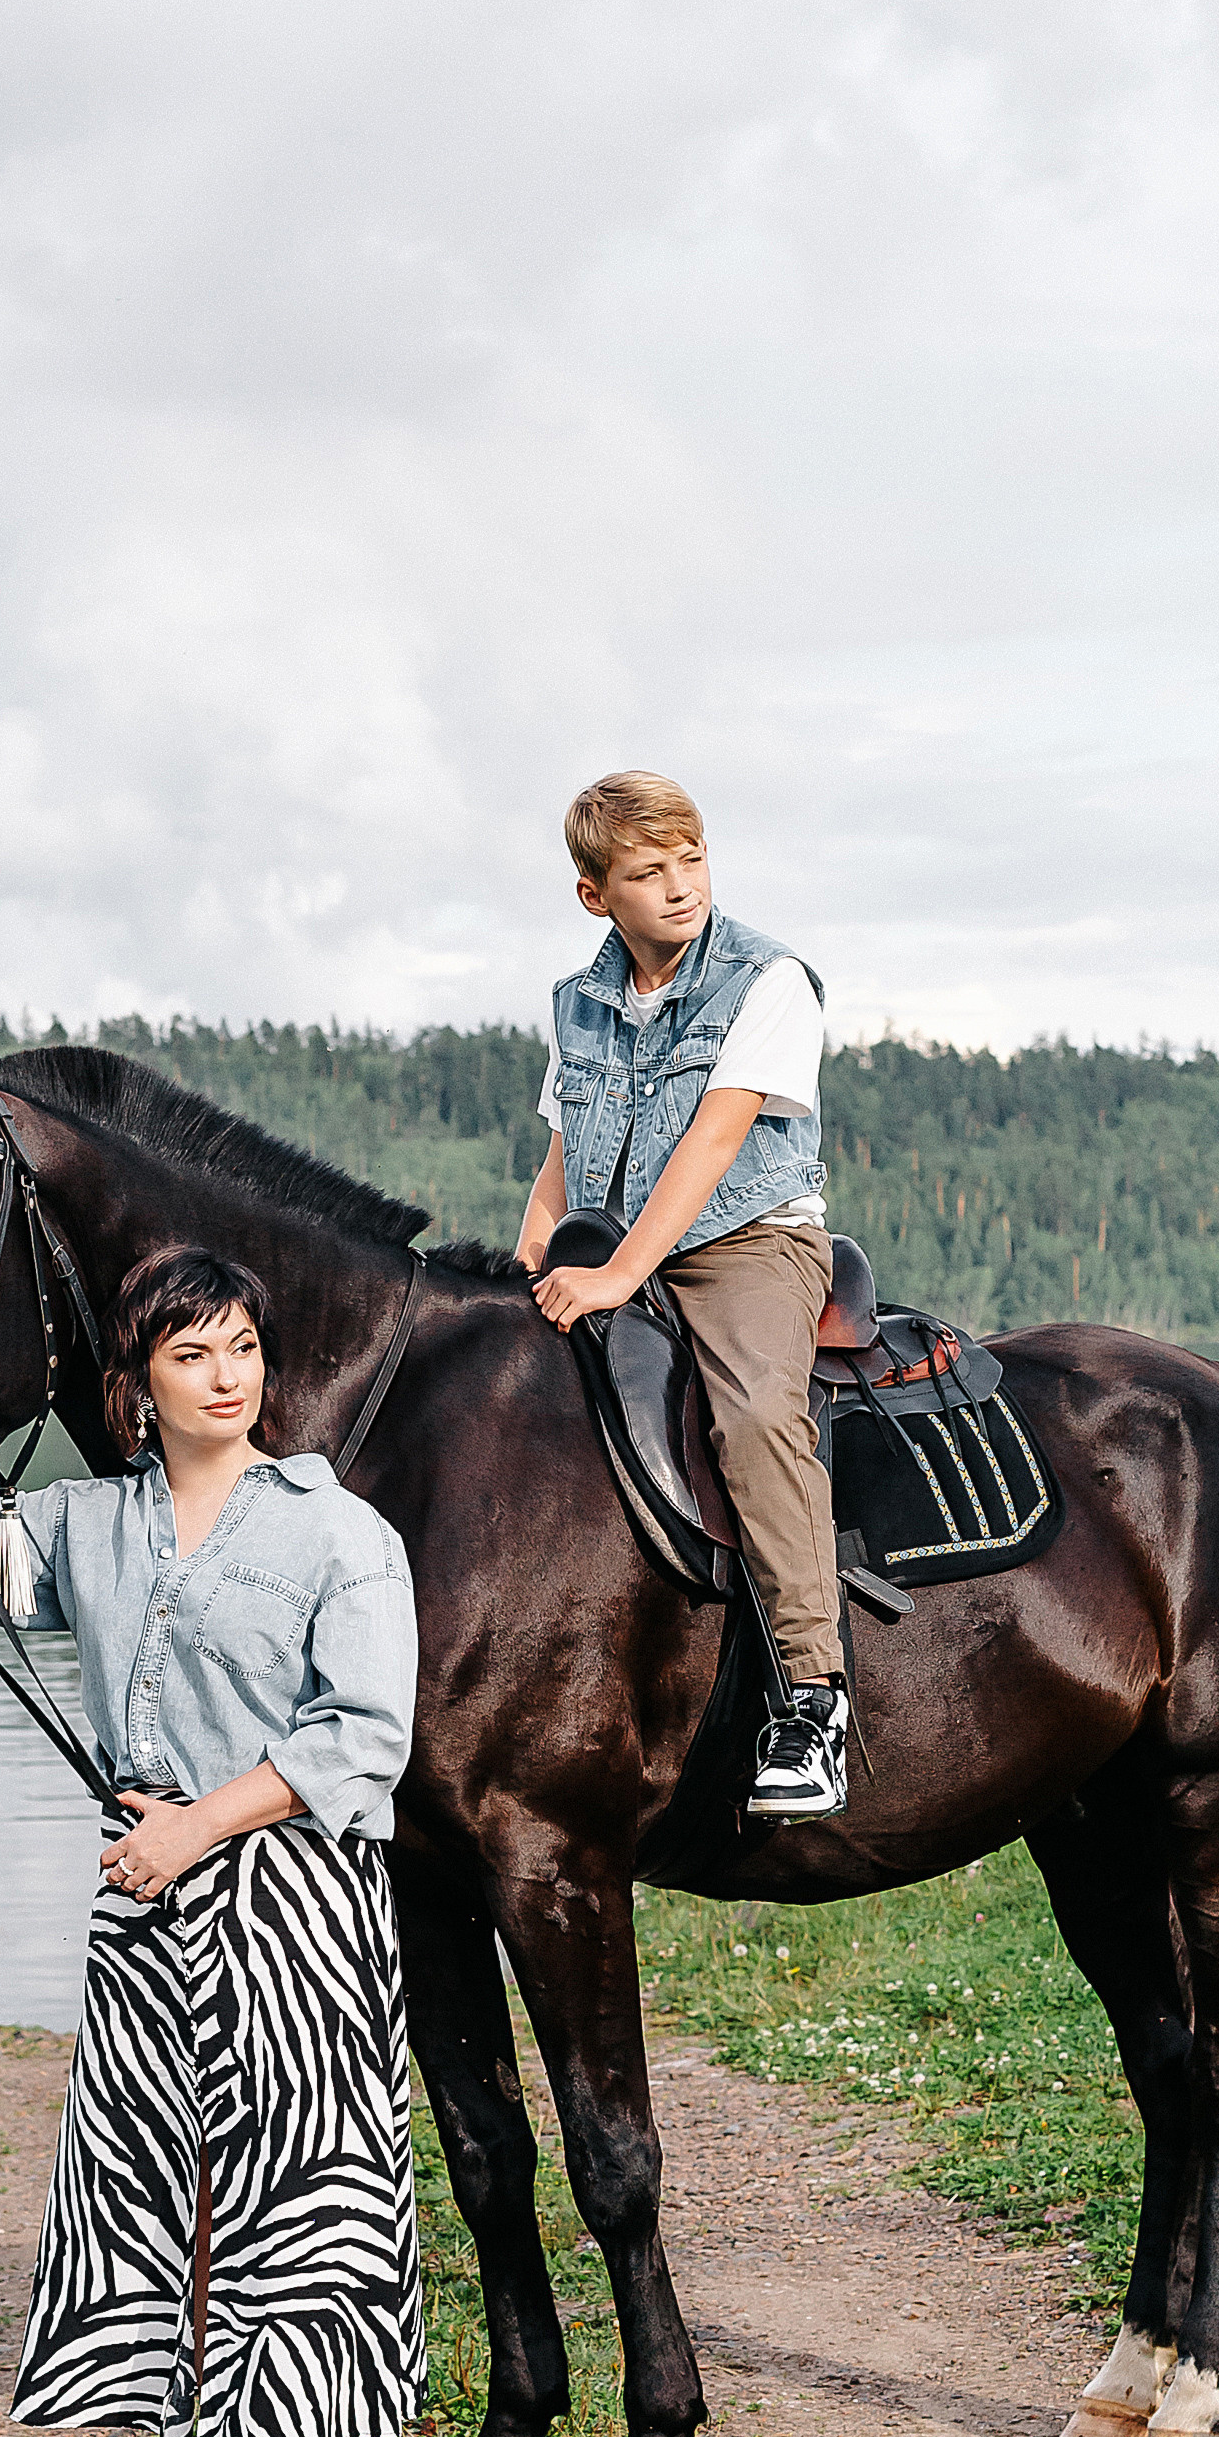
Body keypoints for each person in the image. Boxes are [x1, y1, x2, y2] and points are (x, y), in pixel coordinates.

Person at [0, 1244, 425, 2437]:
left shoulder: (337, 1535)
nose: (227, 1377)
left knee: (305, 2216)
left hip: (292, 1902)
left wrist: (197, 1826)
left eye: (244, 1349)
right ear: (136, 1380)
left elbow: (360, 1733)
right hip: (145, 1916)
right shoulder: (88, 1527)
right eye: (193, 1353)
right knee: (179, 2223)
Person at [518, 769, 848, 1822]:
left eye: (691, 860)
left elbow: (714, 1141)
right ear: (592, 894)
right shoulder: (577, 1001)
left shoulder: (766, 980)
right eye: (648, 871)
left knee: (755, 1416)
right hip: (608, 1242)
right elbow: (565, 1150)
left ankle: (811, 1697)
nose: (678, 887)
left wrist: (619, 1274)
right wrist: (527, 1262)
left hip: (741, 1242)